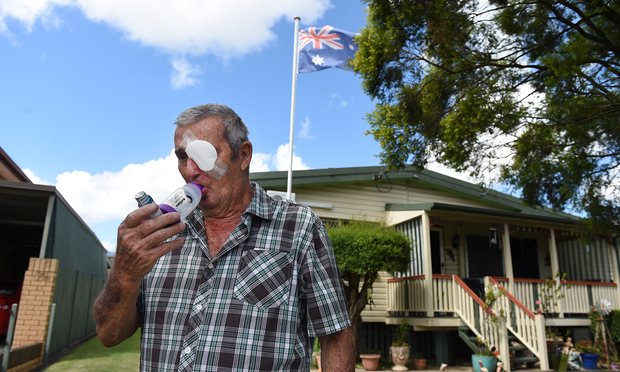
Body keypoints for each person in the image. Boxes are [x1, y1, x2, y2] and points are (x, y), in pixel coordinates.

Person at [93, 104, 355, 371]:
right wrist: (123, 274)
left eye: (203, 154)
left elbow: (335, 336)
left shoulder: (298, 227)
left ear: (243, 155)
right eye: (183, 157)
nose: (191, 170)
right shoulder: (160, 235)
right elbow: (109, 335)